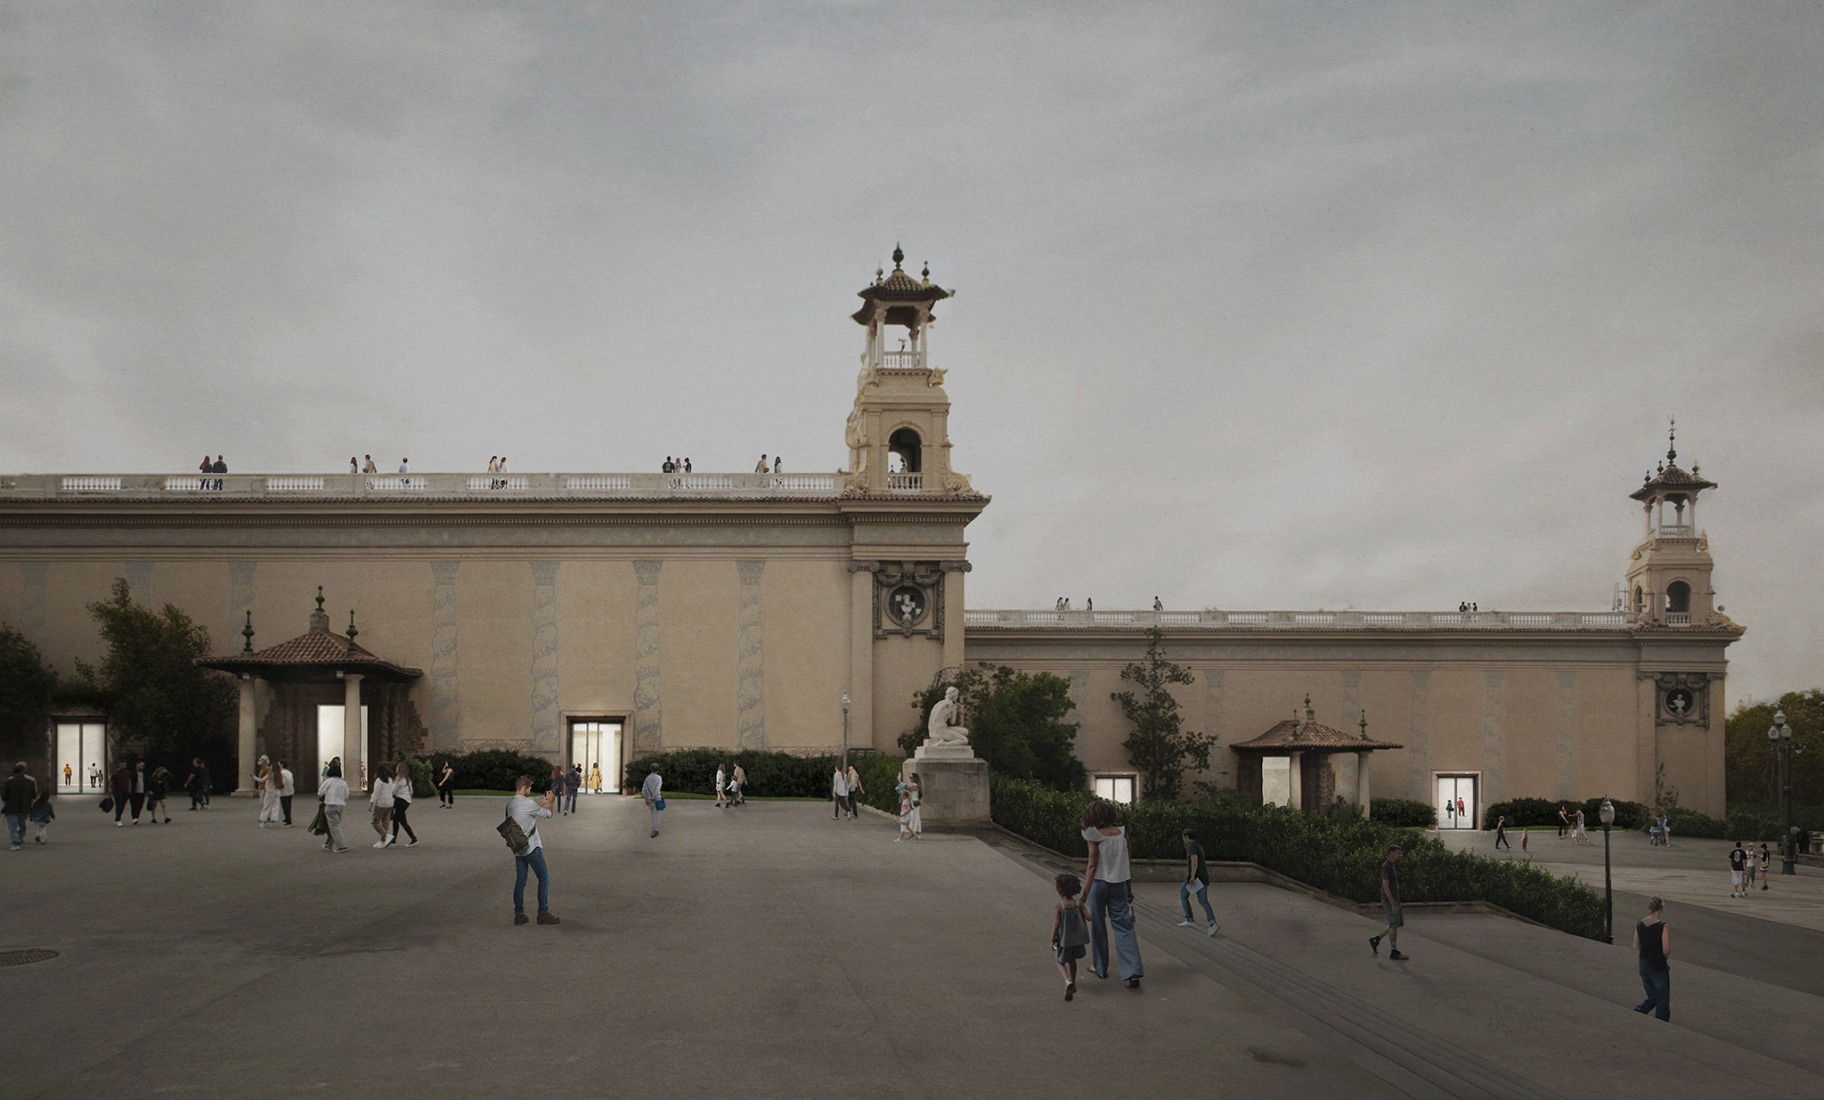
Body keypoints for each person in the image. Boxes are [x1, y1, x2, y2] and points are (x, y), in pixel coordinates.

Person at [1080, 799, 1143, 988]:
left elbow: (1092, 866)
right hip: (1119, 885)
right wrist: (1129, 890)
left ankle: (1100, 968)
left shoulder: (1093, 835)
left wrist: (1084, 894)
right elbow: (1127, 864)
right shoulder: (1122, 834)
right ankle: (1132, 972)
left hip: (1099, 885)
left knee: (1098, 926)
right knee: (1123, 927)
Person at [506, 774, 559, 925]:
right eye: (529, 788)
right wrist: (550, 803)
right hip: (531, 848)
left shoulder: (510, 805)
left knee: (520, 880)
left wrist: (539, 804)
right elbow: (548, 816)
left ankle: (519, 914)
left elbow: (526, 815)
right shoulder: (529, 804)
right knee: (544, 877)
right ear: (523, 788)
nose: (530, 790)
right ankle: (543, 912)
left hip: (518, 847)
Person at [1051, 872, 1091, 1001]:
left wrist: (1052, 938)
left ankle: (1067, 981)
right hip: (1077, 939)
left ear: (1060, 890)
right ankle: (1073, 982)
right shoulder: (1079, 904)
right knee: (1072, 960)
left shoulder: (1060, 907)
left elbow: (1057, 924)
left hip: (1064, 940)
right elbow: (1089, 918)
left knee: (1059, 960)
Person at [1632, 895, 1671, 1021]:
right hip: (1658, 966)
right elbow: (1666, 949)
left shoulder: (1640, 924)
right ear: (1661, 907)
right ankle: (1661, 1023)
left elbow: (1635, 945)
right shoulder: (1663, 926)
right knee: (1662, 998)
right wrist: (1664, 957)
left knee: (1652, 996)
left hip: (1643, 964)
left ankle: (1639, 1011)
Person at [1369, 843, 1409, 960]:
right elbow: (1385, 886)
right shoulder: (1386, 866)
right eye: (1397, 853)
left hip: (1394, 899)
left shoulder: (1391, 865)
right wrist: (1392, 903)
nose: (1399, 855)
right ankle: (1393, 951)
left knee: (1394, 924)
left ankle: (1376, 940)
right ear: (1391, 853)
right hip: (1389, 900)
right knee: (1394, 924)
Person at [1177, 829, 1219, 935]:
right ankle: (1212, 923)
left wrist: (1192, 877)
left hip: (1195, 878)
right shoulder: (1198, 845)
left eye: (1183, 837)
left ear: (1186, 836)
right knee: (1203, 900)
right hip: (1202, 877)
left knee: (1182, 896)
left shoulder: (1191, 845)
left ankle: (1190, 920)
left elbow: (1194, 860)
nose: (1183, 840)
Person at [317, 761, 349, 853]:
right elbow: (346, 795)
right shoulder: (343, 783)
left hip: (330, 804)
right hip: (341, 805)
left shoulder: (328, 781)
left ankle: (342, 846)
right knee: (335, 825)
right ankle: (329, 844)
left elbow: (320, 792)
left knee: (334, 827)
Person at [3, 762, 35, 850]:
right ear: (24, 771)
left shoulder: (9, 782)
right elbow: (33, 795)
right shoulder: (30, 782)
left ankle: (15, 842)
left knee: (12, 825)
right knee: (22, 824)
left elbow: (4, 795)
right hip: (24, 807)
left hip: (11, 806)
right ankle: (20, 838)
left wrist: (6, 803)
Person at [389, 762, 418, 847]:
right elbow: (411, 791)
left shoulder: (399, 779)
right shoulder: (407, 779)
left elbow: (393, 790)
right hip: (406, 800)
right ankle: (394, 839)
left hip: (400, 800)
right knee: (397, 820)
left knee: (401, 821)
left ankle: (413, 838)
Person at [369, 766, 396, 848]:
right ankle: (383, 840)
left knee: (375, 821)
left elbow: (376, 793)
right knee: (386, 822)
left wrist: (371, 804)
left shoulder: (379, 781)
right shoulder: (390, 779)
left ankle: (386, 835)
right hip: (390, 802)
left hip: (381, 803)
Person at [255, 755, 280, 827]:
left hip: (269, 792)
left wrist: (253, 777)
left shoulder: (270, 773)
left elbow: (262, 780)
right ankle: (273, 819)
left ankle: (263, 821)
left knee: (266, 806)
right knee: (275, 806)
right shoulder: (279, 774)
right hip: (276, 792)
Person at [641, 763, 664, 838]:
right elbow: (657, 790)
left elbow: (643, 790)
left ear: (651, 769)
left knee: (653, 815)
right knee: (656, 816)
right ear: (658, 769)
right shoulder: (659, 778)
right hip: (656, 800)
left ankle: (654, 829)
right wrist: (652, 798)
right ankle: (654, 831)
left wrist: (646, 799)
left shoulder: (647, 778)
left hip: (648, 801)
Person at [276, 761, 295, 826]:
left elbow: (282, 782)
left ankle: (288, 820)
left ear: (281, 765)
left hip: (284, 791)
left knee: (285, 807)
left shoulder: (281, 773)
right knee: (289, 806)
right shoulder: (289, 772)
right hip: (290, 790)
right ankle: (287, 818)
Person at [907, 772, 922, 839]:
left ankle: (914, 832)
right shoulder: (916, 784)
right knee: (916, 817)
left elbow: (907, 788)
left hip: (914, 801)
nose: (910, 779)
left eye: (911, 777)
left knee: (914, 817)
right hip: (915, 801)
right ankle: (917, 831)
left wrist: (899, 781)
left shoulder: (915, 785)